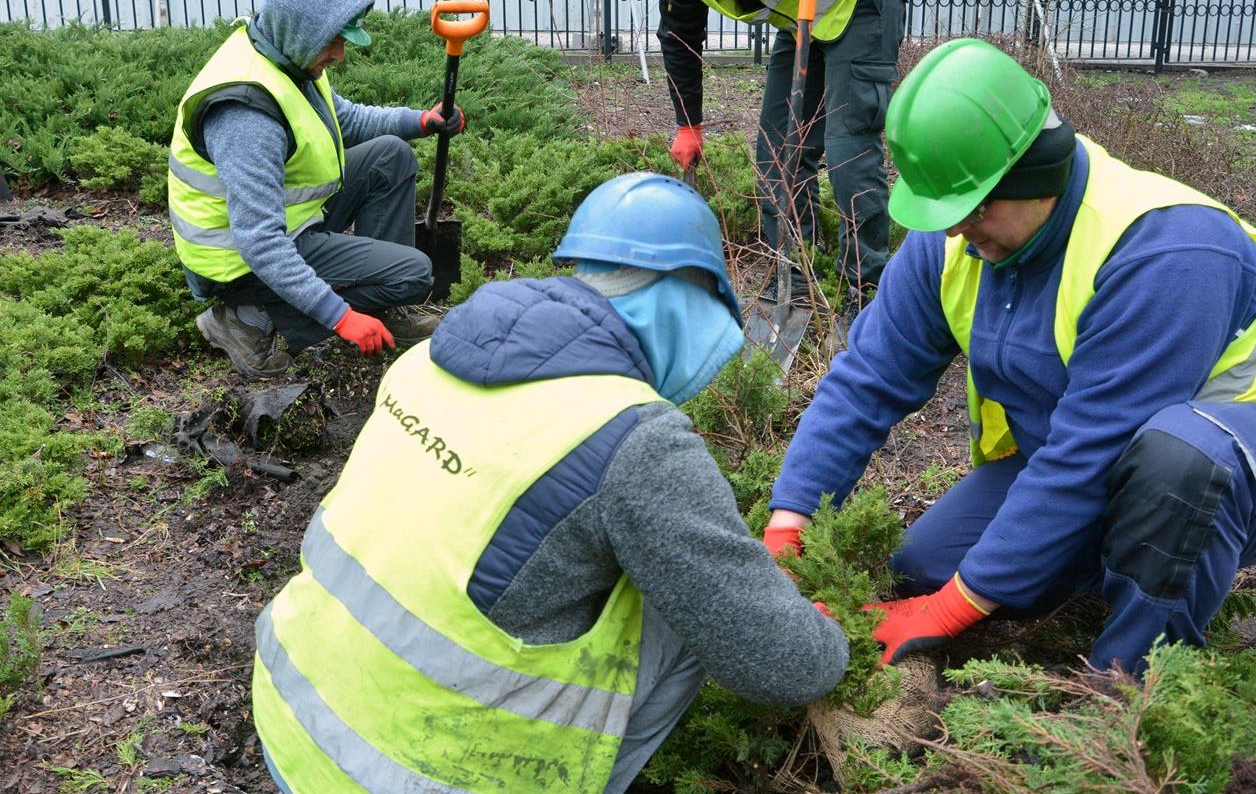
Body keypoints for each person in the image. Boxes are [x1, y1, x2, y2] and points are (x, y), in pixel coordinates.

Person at [761, 39, 1256, 674]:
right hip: (1093, 457)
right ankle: (1124, 561)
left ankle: (1133, 685)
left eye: (968, 209)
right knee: (925, 568)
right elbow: (866, 383)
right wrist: (788, 526)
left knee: (1180, 461)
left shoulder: (1167, 251)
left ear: (1034, 173)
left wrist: (949, 614)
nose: (955, 230)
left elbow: (1091, 451)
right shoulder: (950, 244)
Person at [250, 173, 848, 793]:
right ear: (683, 300)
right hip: (408, 778)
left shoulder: (425, 360)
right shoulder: (633, 439)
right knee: (692, 594)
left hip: (293, 718)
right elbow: (787, 666)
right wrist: (822, 631)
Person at [168, 0, 467, 379]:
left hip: (289, 225)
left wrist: (420, 121)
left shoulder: (285, 56)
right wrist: (341, 318)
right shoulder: (245, 115)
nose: (341, 54)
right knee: (414, 273)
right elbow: (260, 242)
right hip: (239, 263)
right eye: (336, 39)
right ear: (303, 29)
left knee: (390, 157)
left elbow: (343, 119)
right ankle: (247, 320)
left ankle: (382, 304)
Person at [657, 0, 904, 306]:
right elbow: (678, 32)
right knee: (777, 149)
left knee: (849, 150)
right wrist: (688, 124)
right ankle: (797, 279)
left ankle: (865, 293)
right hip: (802, 16)